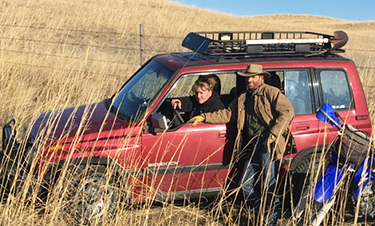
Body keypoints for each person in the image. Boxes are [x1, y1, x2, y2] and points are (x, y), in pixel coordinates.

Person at [188, 64, 294, 225]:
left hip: (267, 143)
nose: (249, 80)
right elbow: (228, 114)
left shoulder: (271, 93)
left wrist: (273, 135)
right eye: (247, 77)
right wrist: (204, 118)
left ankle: (270, 220)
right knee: (245, 184)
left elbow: (287, 112)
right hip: (253, 143)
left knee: (268, 184)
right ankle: (262, 211)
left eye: (252, 77)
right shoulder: (244, 97)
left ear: (261, 77)